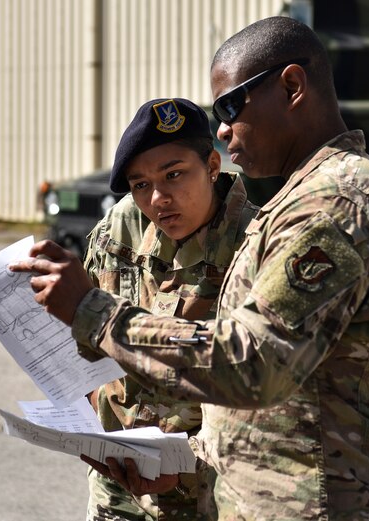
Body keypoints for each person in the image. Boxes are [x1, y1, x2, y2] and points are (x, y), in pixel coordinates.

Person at [11, 16, 369, 520]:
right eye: (140, 185)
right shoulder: (301, 201)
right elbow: (270, 412)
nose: (224, 127)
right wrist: (186, 461)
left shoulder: (336, 204)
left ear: (292, 86)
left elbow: (254, 362)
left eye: (231, 105)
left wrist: (93, 312)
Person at [73, 97, 259, 520]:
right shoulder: (118, 230)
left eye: (174, 174)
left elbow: (265, 395)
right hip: (117, 483)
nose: (158, 198)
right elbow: (83, 337)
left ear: (212, 165)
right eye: (140, 185)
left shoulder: (256, 243)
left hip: (212, 494)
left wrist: (186, 465)